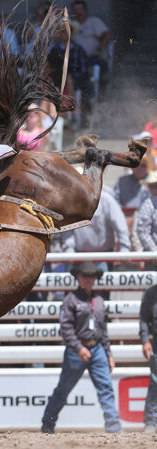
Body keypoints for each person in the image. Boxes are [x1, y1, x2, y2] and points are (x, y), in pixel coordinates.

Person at [41, 261, 122, 434]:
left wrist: (109, 353)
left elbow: (103, 329)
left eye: (91, 276)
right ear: (78, 277)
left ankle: (114, 427)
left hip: (97, 348)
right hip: (76, 352)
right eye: (85, 276)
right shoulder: (70, 300)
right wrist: (78, 348)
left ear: (94, 278)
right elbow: (65, 328)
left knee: (106, 388)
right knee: (63, 389)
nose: (88, 279)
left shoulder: (99, 300)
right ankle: (48, 424)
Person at [71, 0, 110, 71]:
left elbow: (107, 35)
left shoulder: (94, 21)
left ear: (85, 10)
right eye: (75, 10)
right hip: (76, 59)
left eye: (80, 9)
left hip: (93, 58)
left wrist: (100, 50)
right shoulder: (70, 25)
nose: (78, 12)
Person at [139, 284, 157, 434]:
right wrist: (145, 340)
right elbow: (144, 319)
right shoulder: (151, 293)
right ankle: (151, 420)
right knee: (155, 381)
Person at [136, 171, 157, 262]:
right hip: (154, 258)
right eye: (151, 187)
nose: (154, 189)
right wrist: (154, 252)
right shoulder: (148, 205)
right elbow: (142, 231)